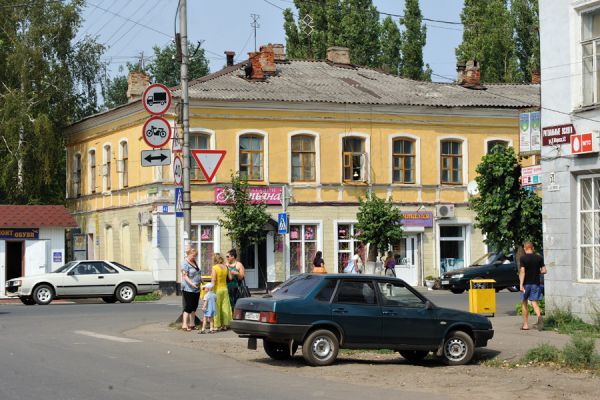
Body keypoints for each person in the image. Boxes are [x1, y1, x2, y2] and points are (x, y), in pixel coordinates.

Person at [519, 242, 547, 331]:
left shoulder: (523, 258)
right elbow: (544, 270)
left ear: (524, 248)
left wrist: (520, 285)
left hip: (526, 284)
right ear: (533, 248)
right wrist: (537, 272)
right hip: (536, 284)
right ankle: (539, 318)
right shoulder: (539, 258)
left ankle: (526, 325)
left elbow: (522, 272)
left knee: (524, 302)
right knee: (534, 303)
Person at [181, 247, 201, 331]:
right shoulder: (185, 263)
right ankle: (184, 324)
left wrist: (201, 280)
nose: (194, 257)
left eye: (195, 256)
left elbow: (197, 273)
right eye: (193, 256)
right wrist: (192, 283)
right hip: (188, 288)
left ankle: (192, 324)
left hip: (197, 288)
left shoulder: (194, 262)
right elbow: (185, 276)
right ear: (188, 254)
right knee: (188, 306)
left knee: (194, 306)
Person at [211, 253, 232, 331]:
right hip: (225, 289)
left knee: (217, 307)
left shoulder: (215, 268)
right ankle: (225, 325)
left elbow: (213, 280)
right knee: (225, 307)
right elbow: (230, 278)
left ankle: (217, 325)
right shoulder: (226, 267)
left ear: (214, 259)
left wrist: (209, 289)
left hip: (217, 289)